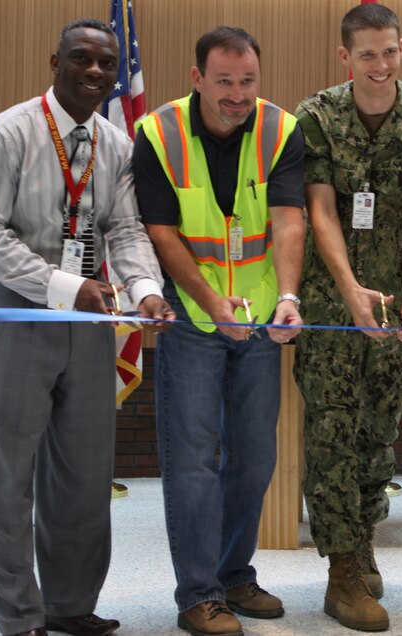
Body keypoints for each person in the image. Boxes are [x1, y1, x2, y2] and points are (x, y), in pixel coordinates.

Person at [0, 18, 172, 636]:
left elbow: (127, 230)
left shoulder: (115, 144)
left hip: (92, 316)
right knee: (8, 475)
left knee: (84, 471)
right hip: (22, 310)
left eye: (106, 64)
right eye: (81, 59)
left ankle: (69, 604)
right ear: (55, 61)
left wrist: (147, 291)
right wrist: (63, 286)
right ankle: (19, 615)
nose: (94, 72)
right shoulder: (6, 134)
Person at [133, 26, 305, 636]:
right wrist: (208, 301)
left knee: (255, 457)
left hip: (259, 318)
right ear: (197, 78)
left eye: (248, 81)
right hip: (191, 318)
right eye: (224, 82)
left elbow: (288, 220)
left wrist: (286, 297)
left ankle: (235, 573)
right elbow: (161, 232)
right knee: (193, 461)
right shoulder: (157, 133)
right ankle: (198, 595)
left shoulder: (282, 129)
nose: (237, 95)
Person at [293, 3, 402, 631]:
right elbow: (321, 212)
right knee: (331, 430)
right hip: (331, 305)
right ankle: (341, 571)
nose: (381, 65)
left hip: (397, 307)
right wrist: (349, 287)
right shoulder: (315, 117)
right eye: (367, 54)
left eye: (389, 52)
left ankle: (360, 538)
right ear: (346, 57)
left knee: (378, 429)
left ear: (401, 47)